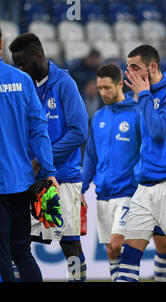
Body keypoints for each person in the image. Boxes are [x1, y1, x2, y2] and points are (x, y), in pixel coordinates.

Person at [9, 33, 89, 282]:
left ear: (38, 56)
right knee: (17, 246)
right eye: (16, 65)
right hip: (29, 181)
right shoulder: (23, 86)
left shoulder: (65, 83)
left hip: (63, 179)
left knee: (71, 248)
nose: (20, 69)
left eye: (22, 64)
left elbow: (79, 131)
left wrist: (42, 160)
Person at [116, 44, 166, 282]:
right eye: (127, 66)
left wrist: (143, 95)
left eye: (135, 67)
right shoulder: (145, 96)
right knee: (129, 256)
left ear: (152, 67)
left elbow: (160, 130)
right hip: (145, 186)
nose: (129, 73)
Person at [0, 26, 58, 282]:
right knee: (21, 250)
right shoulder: (22, 80)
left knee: (1, 255)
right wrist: (48, 171)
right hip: (21, 182)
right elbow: (39, 128)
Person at [81, 63, 141, 282]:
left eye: (107, 87)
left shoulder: (137, 113)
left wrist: (139, 178)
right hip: (103, 194)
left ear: (119, 85)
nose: (103, 93)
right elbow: (90, 155)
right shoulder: (98, 117)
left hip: (128, 192)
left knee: (118, 244)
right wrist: (82, 187)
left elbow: (146, 151)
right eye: (100, 88)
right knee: (111, 252)